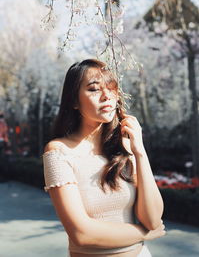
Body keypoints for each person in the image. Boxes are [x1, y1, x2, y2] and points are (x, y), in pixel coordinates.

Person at [43, 59, 165, 257]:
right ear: (74, 100)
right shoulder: (59, 152)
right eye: (94, 89)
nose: (106, 96)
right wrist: (143, 233)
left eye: (111, 87)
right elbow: (81, 234)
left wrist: (139, 151)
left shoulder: (124, 148)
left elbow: (152, 219)